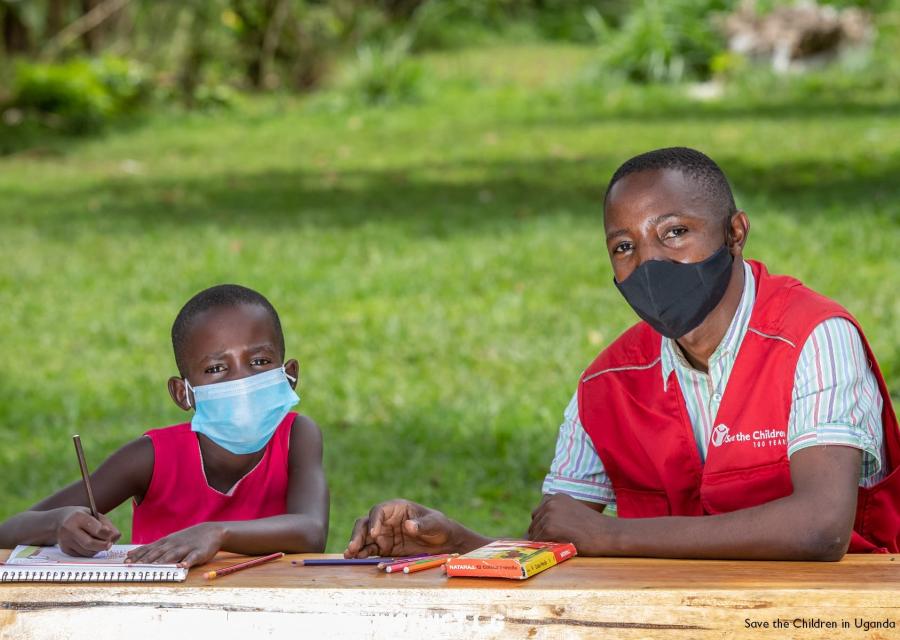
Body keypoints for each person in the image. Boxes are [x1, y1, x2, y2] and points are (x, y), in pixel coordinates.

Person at [345, 147, 899, 561]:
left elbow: (821, 527)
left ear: (735, 233)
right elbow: (560, 544)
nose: (649, 264)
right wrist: (458, 542)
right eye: (625, 247)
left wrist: (612, 536)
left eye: (675, 232)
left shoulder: (813, 336)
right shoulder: (607, 382)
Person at [0, 284, 329, 567]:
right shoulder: (151, 458)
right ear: (182, 392)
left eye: (259, 361)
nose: (241, 380)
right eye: (216, 368)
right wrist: (58, 523)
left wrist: (217, 532)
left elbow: (311, 531)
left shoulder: (297, 436)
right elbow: (9, 531)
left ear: (289, 375)